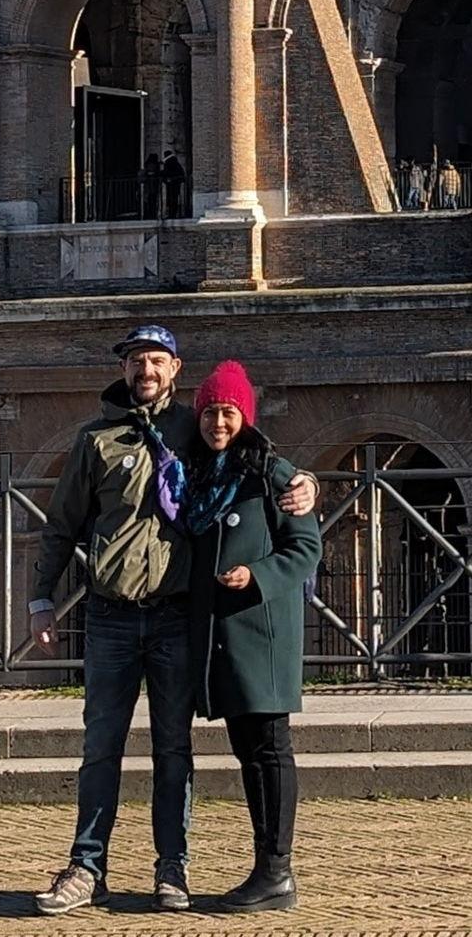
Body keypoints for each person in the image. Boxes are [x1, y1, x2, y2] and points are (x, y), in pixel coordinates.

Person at [29, 323, 317, 917]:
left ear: (175, 370)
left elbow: (255, 453)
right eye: (137, 361)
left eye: (157, 360)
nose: (146, 371)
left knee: (173, 749)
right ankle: (87, 868)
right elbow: (62, 524)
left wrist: (305, 483)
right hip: (110, 616)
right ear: (124, 369)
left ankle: (172, 868)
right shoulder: (96, 440)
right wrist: (40, 599)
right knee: (100, 747)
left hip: (175, 618)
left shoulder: (197, 427)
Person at [182, 360, 321, 911]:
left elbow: (305, 547)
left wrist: (257, 575)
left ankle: (277, 872)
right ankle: (267, 869)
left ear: (245, 417)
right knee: (249, 751)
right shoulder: (196, 473)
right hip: (220, 637)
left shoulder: (272, 473)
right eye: (209, 413)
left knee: (269, 749)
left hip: (260, 633)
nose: (218, 423)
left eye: (228, 412)